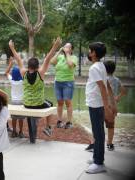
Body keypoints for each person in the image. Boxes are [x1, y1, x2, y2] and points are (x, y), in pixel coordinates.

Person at [9, 37, 62, 142]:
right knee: (50, 104)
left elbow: (18, 59)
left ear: (28, 66)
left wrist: (12, 48)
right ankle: (48, 127)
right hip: (38, 104)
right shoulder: (40, 73)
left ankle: (38, 121)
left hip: (27, 103)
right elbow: (47, 59)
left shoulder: (23, 72)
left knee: (43, 105)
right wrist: (55, 46)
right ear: (38, 66)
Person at [85, 42, 116, 174]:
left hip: (96, 105)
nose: (88, 52)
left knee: (98, 134)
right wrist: (112, 102)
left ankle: (99, 163)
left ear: (94, 53)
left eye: (90, 50)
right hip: (96, 104)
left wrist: (108, 107)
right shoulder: (100, 65)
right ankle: (97, 157)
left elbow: (102, 88)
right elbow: (107, 84)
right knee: (98, 133)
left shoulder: (95, 68)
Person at [85, 60, 126, 152]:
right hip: (112, 105)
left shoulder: (102, 78)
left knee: (96, 126)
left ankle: (93, 143)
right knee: (110, 126)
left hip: (100, 104)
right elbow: (124, 90)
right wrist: (117, 98)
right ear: (114, 70)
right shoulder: (116, 80)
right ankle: (110, 144)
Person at [50, 43, 78, 129]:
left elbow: (70, 65)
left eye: (67, 47)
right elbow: (52, 62)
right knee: (59, 102)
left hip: (68, 82)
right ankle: (59, 121)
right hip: (58, 82)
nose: (65, 48)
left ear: (71, 49)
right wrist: (59, 51)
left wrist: (67, 54)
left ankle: (69, 122)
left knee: (68, 102)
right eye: (65, 46)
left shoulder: (74, 58)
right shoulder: (60, 57)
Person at [4, 56, 25, 138]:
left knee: (14, 117)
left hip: (13, 101)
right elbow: (23, 71)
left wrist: (11, 63)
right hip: (21, 101)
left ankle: (14, 132)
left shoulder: (12, 80)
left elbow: (6, 72)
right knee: (21, 118)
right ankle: (21, 132)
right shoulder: (23, 81)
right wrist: (20, 64)